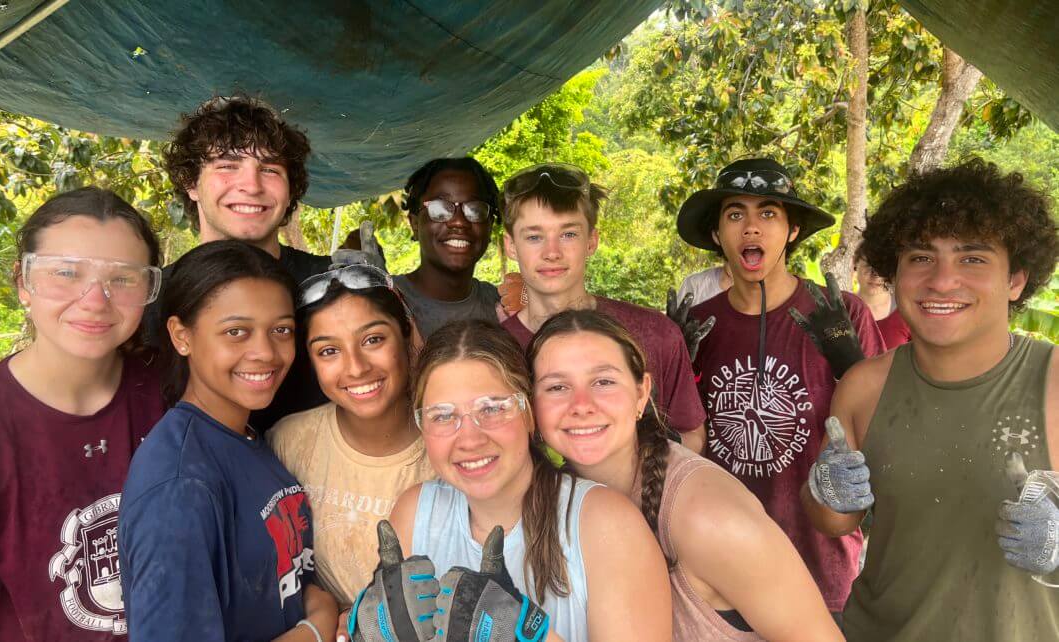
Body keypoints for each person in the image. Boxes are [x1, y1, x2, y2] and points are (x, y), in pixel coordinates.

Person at [801, 159, 1059, 641]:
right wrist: (825, 490)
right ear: (894, 273)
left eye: (972, 258)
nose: (941, 281)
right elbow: (835, 521)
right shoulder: (862, 386)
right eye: (920, 257)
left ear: (1016, 280)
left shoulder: (1053, 381)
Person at [0, 187, 165, 641]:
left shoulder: (166, 392)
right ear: (22, 283)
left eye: (124, 278)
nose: (95, 299)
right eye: (66, 273)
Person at [528, 309, 842, 641]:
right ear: (532, 404)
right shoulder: (554, 500)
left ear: (641, 393)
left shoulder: (709, 517)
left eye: (603, 381)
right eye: (557, 387)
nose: (581, 404)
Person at [674, 157, 885, 619]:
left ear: (792, 230)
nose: (752, 228)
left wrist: (853, 367)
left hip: (821, 564)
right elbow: (672, 448)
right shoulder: (696, 327)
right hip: (720, 570)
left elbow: (884, 443)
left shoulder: (843, 315)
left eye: (768, 213)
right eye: (735, 215)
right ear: (716, 234)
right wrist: (673, 366)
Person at [384, 320, 671, 640]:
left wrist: (530, 634)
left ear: (529, 414)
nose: (469, 439)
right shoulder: (415, 513)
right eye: (443, 416)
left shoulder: (605, 526)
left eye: (491, 408)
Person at [119, 241, 337, 642]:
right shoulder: (181, 485)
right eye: (236, 331)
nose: (265, 352)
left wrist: (310, 600)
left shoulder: (245, 437)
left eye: (281, 330)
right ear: (181, 336)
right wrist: (315, 629)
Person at [143, 95, 333, 430]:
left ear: (290, 190)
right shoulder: (154, 298)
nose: (251, 185)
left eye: (270, 169)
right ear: (191, 183)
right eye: (228, 166)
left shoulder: (332, 284)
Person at [499, 163, 707, 450]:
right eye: (534, 237)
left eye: (568, 234)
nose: (552, 253)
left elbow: (693, 435)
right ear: (511, 245)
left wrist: (653, 445)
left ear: (591, 241)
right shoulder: (496, 351)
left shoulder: (655, 334)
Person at [269, 264, 434, 609]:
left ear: (407, 337)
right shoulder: (287, 442)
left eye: (373, 340)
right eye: (329, 351)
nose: (356, 367)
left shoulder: (449, 445)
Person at [393, 157, 503, 339]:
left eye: (475, 210)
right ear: (415, 224)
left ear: (490, 226)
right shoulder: (384, 300)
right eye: (440, 209)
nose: (459, 222)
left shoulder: (504, 308)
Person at [854, 251, 910, 349]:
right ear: (855, 265)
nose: (876, 275)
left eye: (883, 268)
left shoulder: (908, 311)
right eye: (869, 266)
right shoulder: (839, 310)